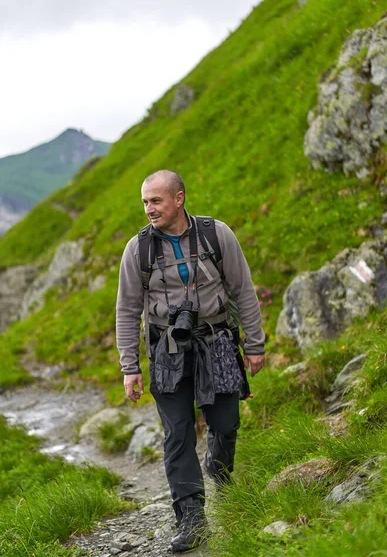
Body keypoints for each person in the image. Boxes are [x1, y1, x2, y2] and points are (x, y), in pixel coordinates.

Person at [116, 169, 265, 552]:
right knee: (178, 433)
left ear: (179, 198)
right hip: (166, 350)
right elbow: (127, 310)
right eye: (145, 201)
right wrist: (129, 366)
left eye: (156, 201)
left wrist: (255, 344)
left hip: (217, 342)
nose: (149, 208)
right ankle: (192, 518)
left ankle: (218, 465)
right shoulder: (138, 249)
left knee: (226, 423)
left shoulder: (217, 234)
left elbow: (243, 290)